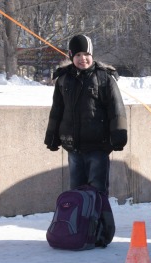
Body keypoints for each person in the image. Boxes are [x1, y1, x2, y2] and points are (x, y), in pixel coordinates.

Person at [44, 34, 127, 193]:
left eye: (87, 54)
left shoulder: (104, 78)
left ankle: (98, 217)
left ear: (92, 55)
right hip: (73, 147)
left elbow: (116, 109)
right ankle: (79, 218)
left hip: (98, 147)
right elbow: (57, 111)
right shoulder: (64, 79)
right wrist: (52, 137)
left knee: (97, 190)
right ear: (71, 56)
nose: (83, 59)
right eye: (78, 55)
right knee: (77, 190)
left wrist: (118, 137)